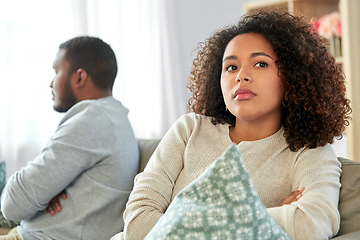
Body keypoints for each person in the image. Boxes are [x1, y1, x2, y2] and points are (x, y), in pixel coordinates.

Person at [111, 11, 351, 240]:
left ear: (291, 77)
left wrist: (179, 222)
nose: (241, 76)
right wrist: (257, 219)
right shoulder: (189, 129)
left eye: (260, 64)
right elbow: (136, 223)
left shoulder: (309, 153)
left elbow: (312, 223)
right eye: (231, 67)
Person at [0, 36, 140, 240]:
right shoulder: (115, 117)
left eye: (56, 71)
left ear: (79, 77)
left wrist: (41, 193)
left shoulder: (92, 118)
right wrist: (47, 192)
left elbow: (12, 204)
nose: (51, 83)